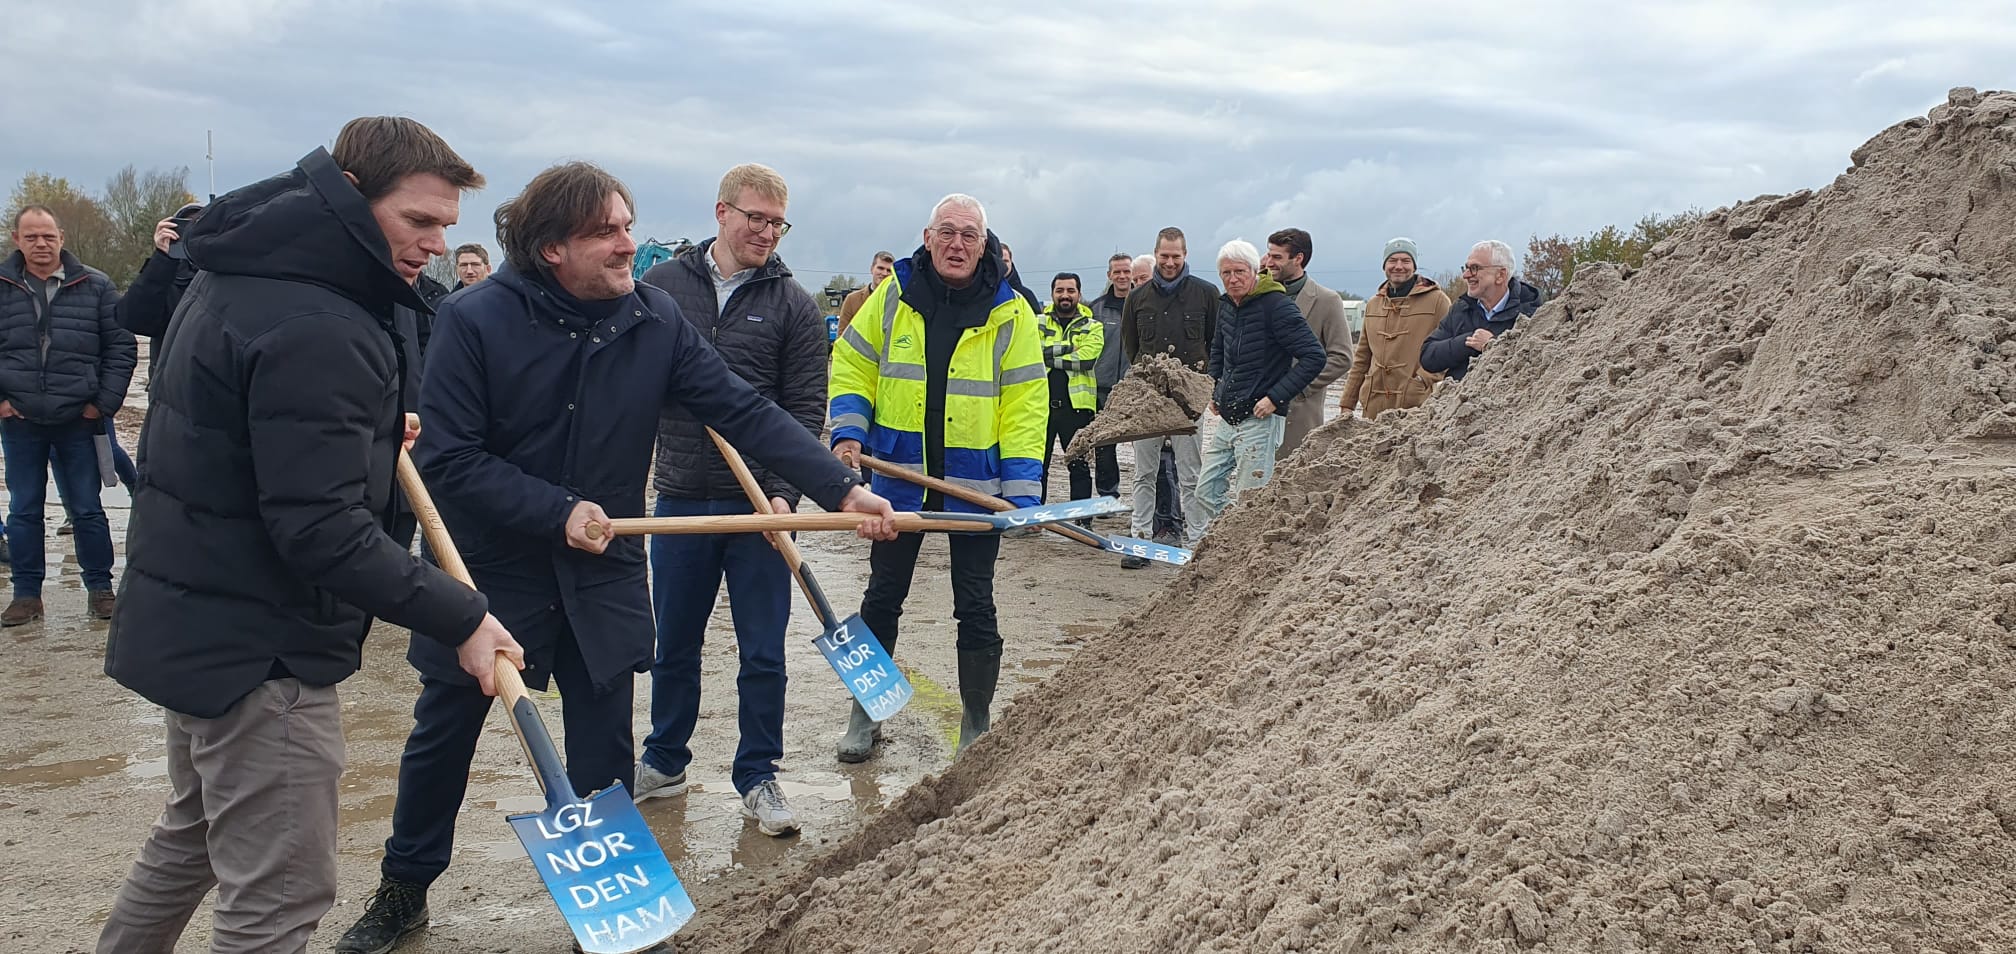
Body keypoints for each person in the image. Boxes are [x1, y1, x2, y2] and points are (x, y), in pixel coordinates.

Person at [335, 161, 895, 954]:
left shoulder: (654, 319)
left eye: (629, 225)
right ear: (552, 247)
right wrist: (556, 510)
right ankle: (404, 889)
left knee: (605, 747)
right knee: (445, 735)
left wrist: (840, 490)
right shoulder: (474, 319)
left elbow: (741, 408)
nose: (629, 243)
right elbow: (449, 460)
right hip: (487, 575)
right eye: (607, 231)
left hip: (601, 574)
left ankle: (609, 916)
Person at [98, 116, 520, 954]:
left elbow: (244, 441)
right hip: (263, 652)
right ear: (351, 199)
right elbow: (321, 532)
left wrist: (360, 434)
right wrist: (463, 616)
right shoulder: (319, 322)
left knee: (188, 841)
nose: (437, 246)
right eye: (420, 221)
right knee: (280, 896)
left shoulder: (243, 270)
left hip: (194, 621)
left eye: (447, 228)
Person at [632, 163, 832, 837]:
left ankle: (758, 776)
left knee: (763, 651)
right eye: (756, 219)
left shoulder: (795, 306)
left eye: (778, 223)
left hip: (761, 511)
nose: (766, 233)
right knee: (674, 644)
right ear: (721, 213)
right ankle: (663, 763)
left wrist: (784, 493)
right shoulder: (659, 290)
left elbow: (805, 410)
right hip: (683, 499)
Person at [828, 193, 1045, 761]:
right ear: (927, 239)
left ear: (985, 244)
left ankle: (976, 718)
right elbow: (852, 361)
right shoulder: (893, 296)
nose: (956, 244)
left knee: (974, 602)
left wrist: (1022, 489)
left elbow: (1026, 403)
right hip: (898, 476)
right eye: (946, 232)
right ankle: (865, 713)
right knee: (882, 596)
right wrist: (848, 431)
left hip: (975, 485)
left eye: (968, 235)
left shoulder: (1011, 310)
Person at [0, 205, 136, 625]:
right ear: (16, 239)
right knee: (24, 509)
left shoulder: (95, 285)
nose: (41, 244)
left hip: (79, 420)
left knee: (87, 508)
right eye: (32, 237)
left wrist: (102, 403)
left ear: (61, 237)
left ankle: (101, 590)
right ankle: (26, 595)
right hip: (20, 422)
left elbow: (120, 347)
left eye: (48, 236)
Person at [1193, 240, 1325, 533]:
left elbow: (1314, 356)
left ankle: (1246, 551)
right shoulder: (1226, 305)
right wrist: (1215, 389)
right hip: (1229, 416)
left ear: (1255, 271)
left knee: (1249, 499)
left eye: (1239, 271)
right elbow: (1218, 350)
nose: (1233, 279)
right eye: (1226, 273)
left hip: (1260, 418)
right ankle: (1237, 537)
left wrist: (1276, 398)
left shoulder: (1277, 306)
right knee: (1205, 492)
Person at [1118, 226, 1217, 563]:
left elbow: (1213, 344)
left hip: (1188, 403)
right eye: (1164, 256)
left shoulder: (1205, 294)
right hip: (1148, 401)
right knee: (1143, 473)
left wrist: (1202, 389)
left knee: (1191, 474)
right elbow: (1131, 346)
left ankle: (1195, 542)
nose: (1170, 262)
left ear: (1185, 255)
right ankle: (1140, 540)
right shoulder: (1138, 297)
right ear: (1156, 254)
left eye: (1176, 256)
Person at [1262, 228, 1354, 460]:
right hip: (1258, 410)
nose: (1269, 262)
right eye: (1268, 255)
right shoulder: (1259, 296)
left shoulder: (1327, 300)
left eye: (1277, 257)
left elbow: (1342, 357)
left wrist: (1299, 386)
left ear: (1298, 258)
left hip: (1299, 413)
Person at [1342, 237, 1451, 421]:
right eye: (1392, 260)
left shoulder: (1438, 301)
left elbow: (1448, 349)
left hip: (1415, 407)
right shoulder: (1374, 304)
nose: (1398, 266)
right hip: (1373, 405)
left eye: (1406, 261)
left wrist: (1422, 381)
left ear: (1414, 266)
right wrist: (1347, 403)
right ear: (1384, 265)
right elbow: (1362, 357)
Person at [1421, 239, 1543, 381]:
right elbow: (1427, 357)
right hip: (1459, 400)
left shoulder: (1533, 314)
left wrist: (1492, 344)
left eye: (1475, 268)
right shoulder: (1462, 308)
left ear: (1500, 275)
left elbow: (1538, 360)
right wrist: (1467, 342)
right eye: (1466, 268)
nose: (1465, 275)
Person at [1038, 271, 1103, 505]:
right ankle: (1034, 518)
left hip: (1076, 409)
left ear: (1079, 293)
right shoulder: (1037, 322)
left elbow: (1086, 360)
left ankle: (1080, 519)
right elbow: (1033, 353)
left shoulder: (1093, 326)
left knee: (1079, 466)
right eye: (1060, 290)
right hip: (1040, 407)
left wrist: (1048, 354)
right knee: (1037, 466)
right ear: (1052, 293)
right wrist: (1070, 347)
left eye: (1070, 290)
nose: (1065, 295)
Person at [1087, 253, 1131, 498]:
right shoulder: (1097, 308)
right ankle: (1107, 494)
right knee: (1104, 444)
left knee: (1149, 447)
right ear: (1109, 275)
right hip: (1103, 387)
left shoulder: (1142, 303)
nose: (1122, 276)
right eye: (1117, 272)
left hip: (1134, 387)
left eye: (1126, 271)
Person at [836, 250, 895, 336]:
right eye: (880, 268)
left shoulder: (898, 302)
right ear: (871, 269)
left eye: (889, 270)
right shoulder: (852, 300)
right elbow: (841, 336)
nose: (884, 273)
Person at [1000, 241, 1043, 314]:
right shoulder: (981, 294)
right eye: (999, 261)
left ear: (1011, 262)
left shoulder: (1026, 295)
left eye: (1006, 261)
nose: (1003, 265)